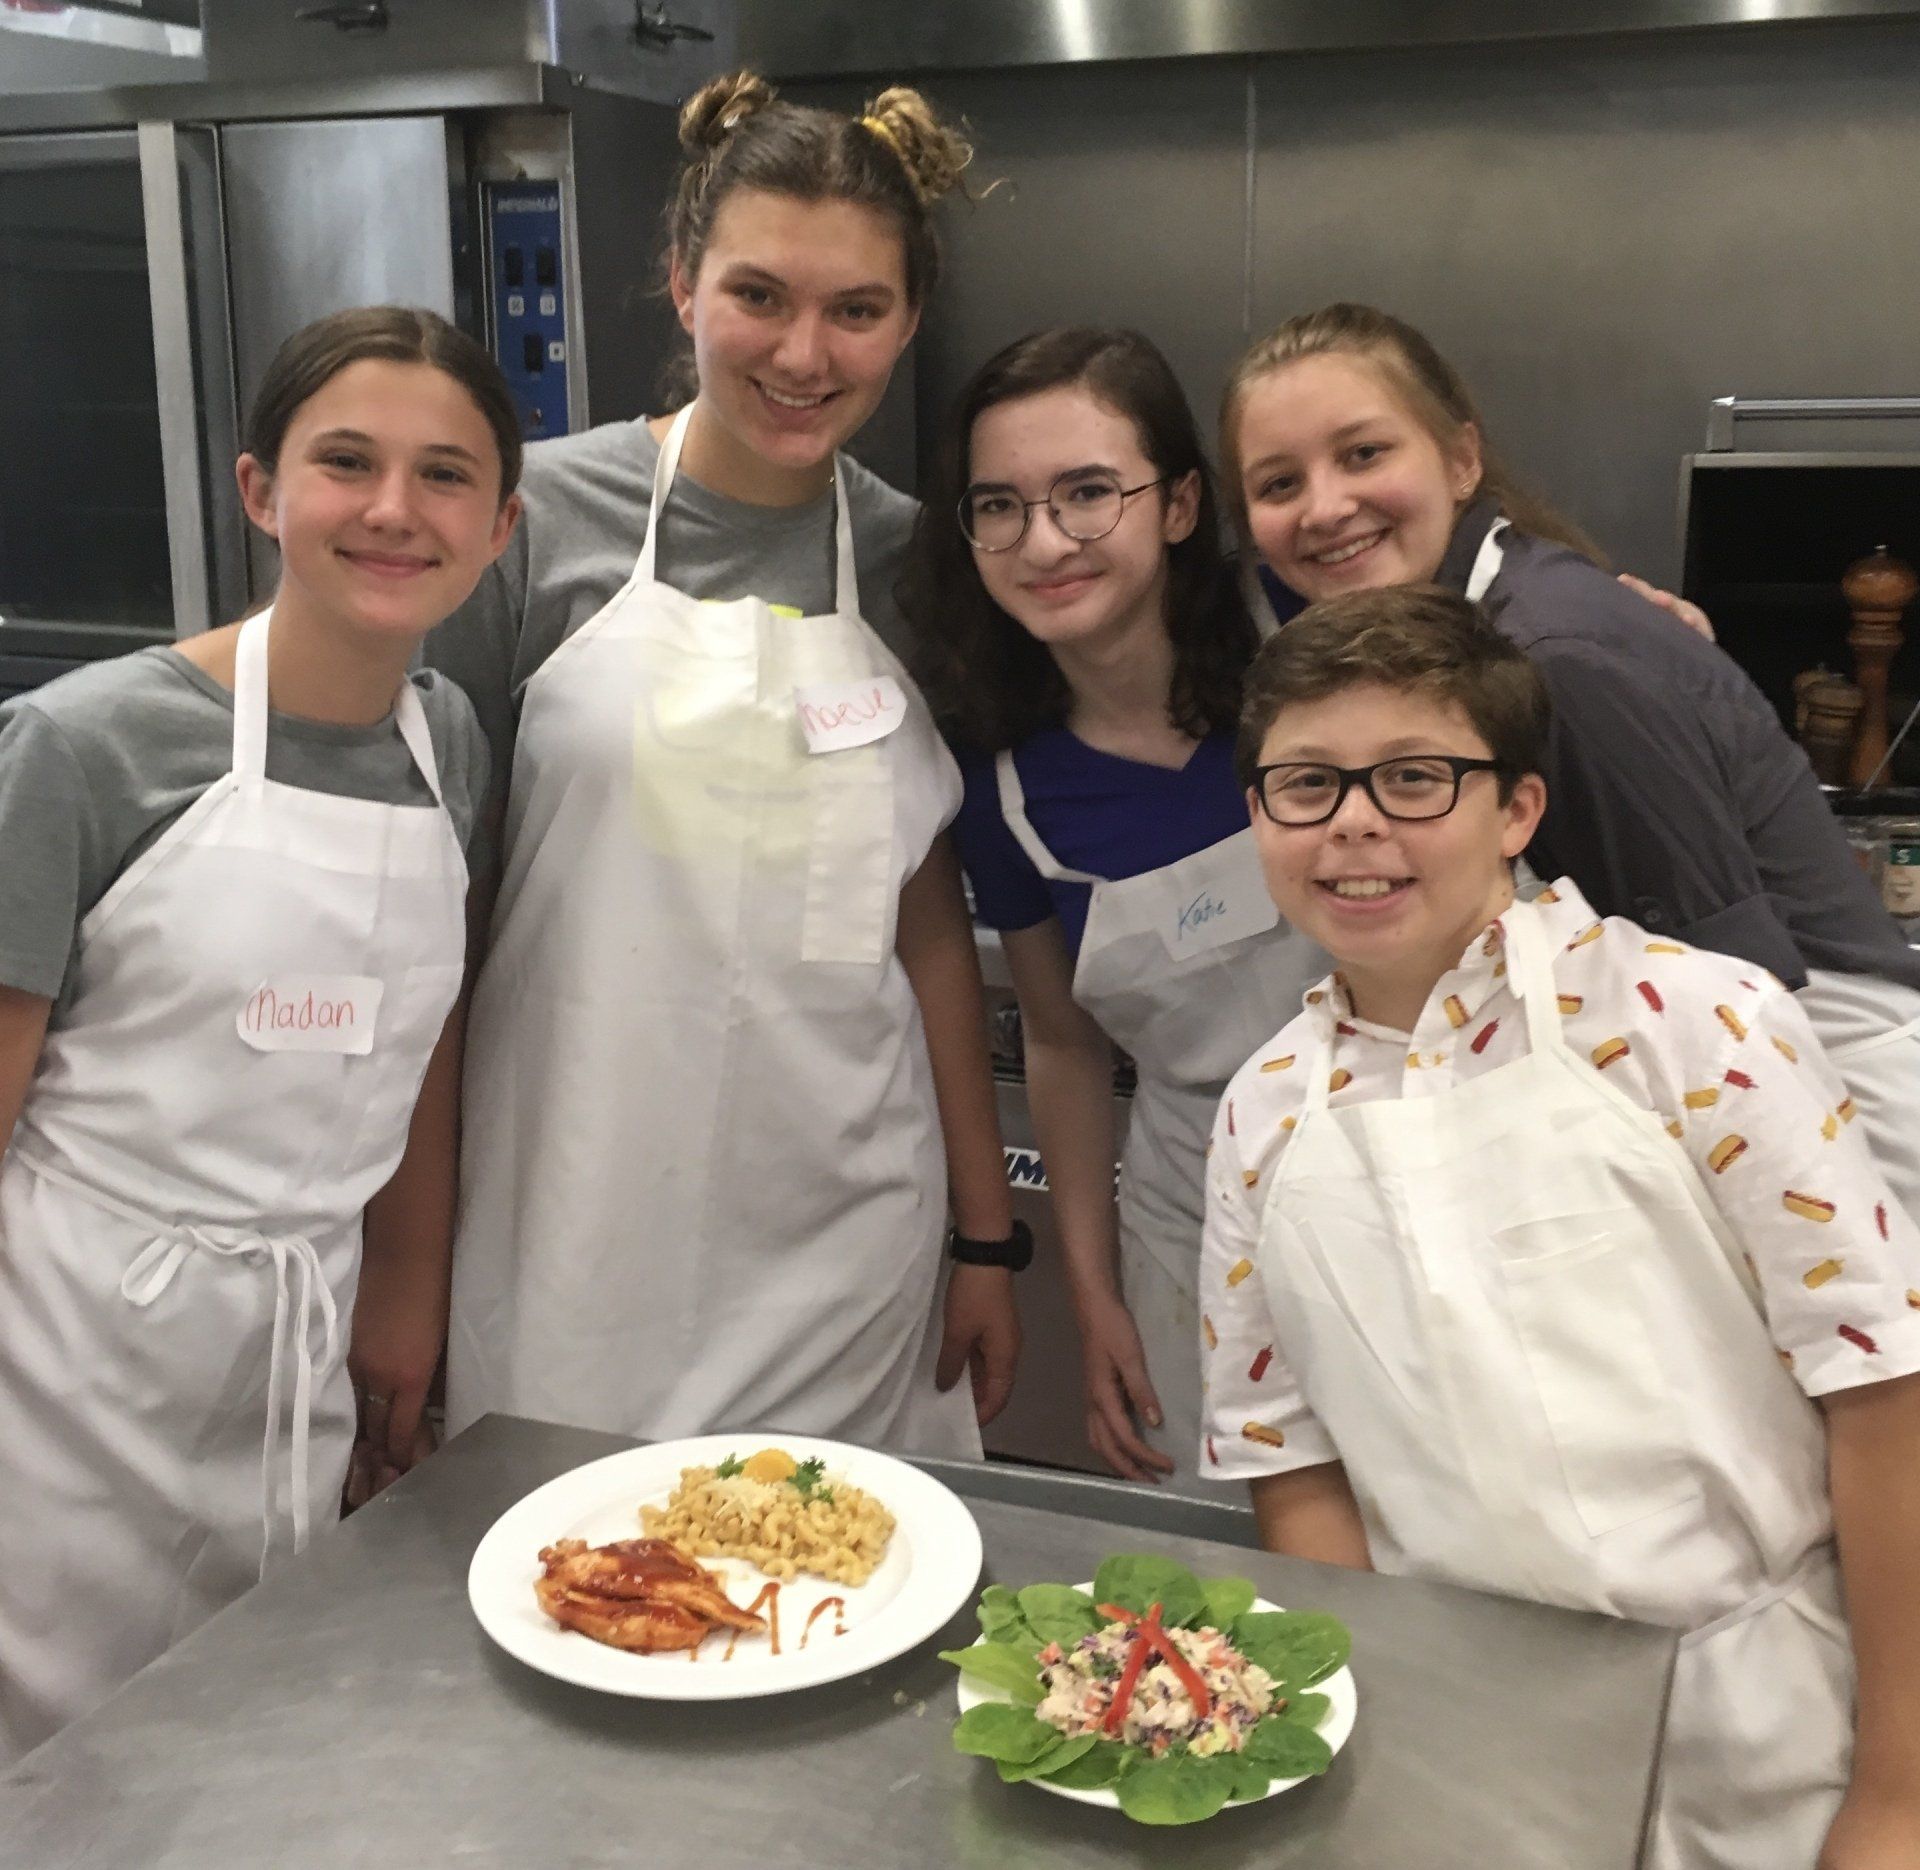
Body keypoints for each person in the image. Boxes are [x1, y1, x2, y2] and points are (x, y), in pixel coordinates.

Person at [1203, 584, 1920, 1870]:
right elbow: (1294, 1465)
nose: (1355, 822)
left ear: (1517, 807)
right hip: (1457, 1749)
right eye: (1304, 784)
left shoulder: (1697, 1024)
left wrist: (1899, 1796)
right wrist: (1379, 1736)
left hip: (1763, 1739)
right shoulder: (1262, 1113)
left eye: (1415, 776)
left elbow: (1883, 1398)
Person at [429, 72, 1020, 1456]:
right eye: (760, 295)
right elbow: (430, 913)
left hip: (846, 1240)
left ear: (908, 319)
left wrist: (987, 1239)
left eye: (856, 310)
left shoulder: (921, 563)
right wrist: (398, 1261)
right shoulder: (534, 524)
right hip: (567, 1217)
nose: (805, 354)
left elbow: (926, 920)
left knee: (836, 1622)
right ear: (683, 280)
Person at [0, 305, 515, 1759]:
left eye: (446, 475)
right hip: (64, 1364)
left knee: (249, 1750)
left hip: (301, 1348)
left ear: (501, 521)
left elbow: (423, 1044)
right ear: (259, 490)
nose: (394, 511)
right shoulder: (86, 747)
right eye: (345, 461)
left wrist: (404, 1294)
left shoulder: (449, 738)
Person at [1221, 302, 1920, 1222]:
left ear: (1462, 459)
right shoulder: (1474, 642)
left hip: (1829, 1126)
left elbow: (1725, 1014)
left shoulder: (1556, 663)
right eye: (1278, 483)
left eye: (1362, 454)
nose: (1324, 507)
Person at [905, 328, 1325, 1488]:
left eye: (1088, 493)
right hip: (1198, 1204)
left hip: (1424, 1149)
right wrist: (1094, 1297)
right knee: (1237, 1540)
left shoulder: (1309, 631)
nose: (1044, 542)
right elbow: (1061, 1041)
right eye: (1000, 505)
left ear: (1181, 502)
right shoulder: (1002, 778)